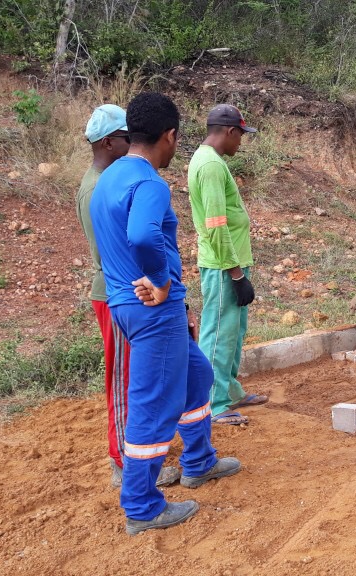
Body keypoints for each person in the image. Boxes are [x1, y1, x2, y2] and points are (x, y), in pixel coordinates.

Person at [90, 92, 240, 536]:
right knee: (153, 405)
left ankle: (198, 461)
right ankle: (141, 506)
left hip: (126, 304)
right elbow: (141, 236)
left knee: (197, 376)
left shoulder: (110, 177)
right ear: (169, 136)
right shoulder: (149, 183)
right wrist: (160, 279)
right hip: (153, 309)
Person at [75, 104, 182, 490]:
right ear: (109, 141)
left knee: (145, 380)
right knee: (125, 384)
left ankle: (137, 461)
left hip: (127, 291)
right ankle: (125, 464)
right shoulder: (100, 186)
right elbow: (121, 245)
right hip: (123, 293)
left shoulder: (112, 179)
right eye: (125, 137)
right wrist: (159, 280)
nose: (130, 143)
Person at [187, 104, 267, 426]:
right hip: (223, 268)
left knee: (233, 333)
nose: (241, 143)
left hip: (231, 264)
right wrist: (235, 273)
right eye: (241, 136)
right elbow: (216, 224)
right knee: (218, 335)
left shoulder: (212, 162)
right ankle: (213, 404)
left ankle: (230, 390)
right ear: (230, 132)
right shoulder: (209, 166)